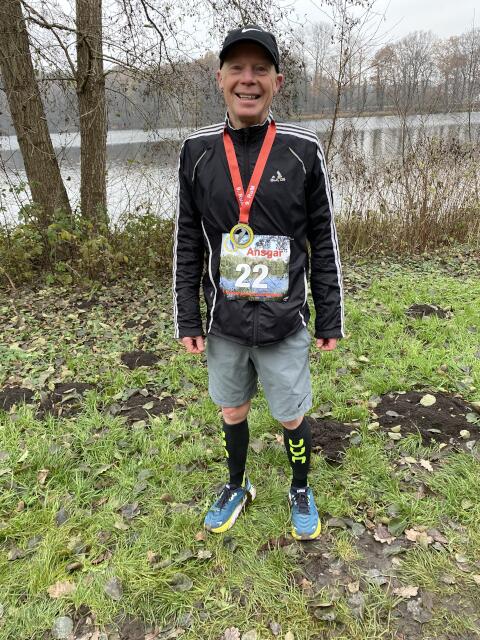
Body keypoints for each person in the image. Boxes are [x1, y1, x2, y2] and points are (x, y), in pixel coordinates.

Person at [173, 25, 344, 540]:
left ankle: (300, 487)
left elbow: (323, 239)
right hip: (224, 319)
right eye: (237, 69)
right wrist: (187, 315)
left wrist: (330, 315)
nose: (248, 79)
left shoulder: (302, 149)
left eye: (260, 70)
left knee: (291, 413)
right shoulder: (197, 150)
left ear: (277, 82)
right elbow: (187, 240)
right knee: (233, 408)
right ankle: (236, 484)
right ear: (220, 78)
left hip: (283, 318)